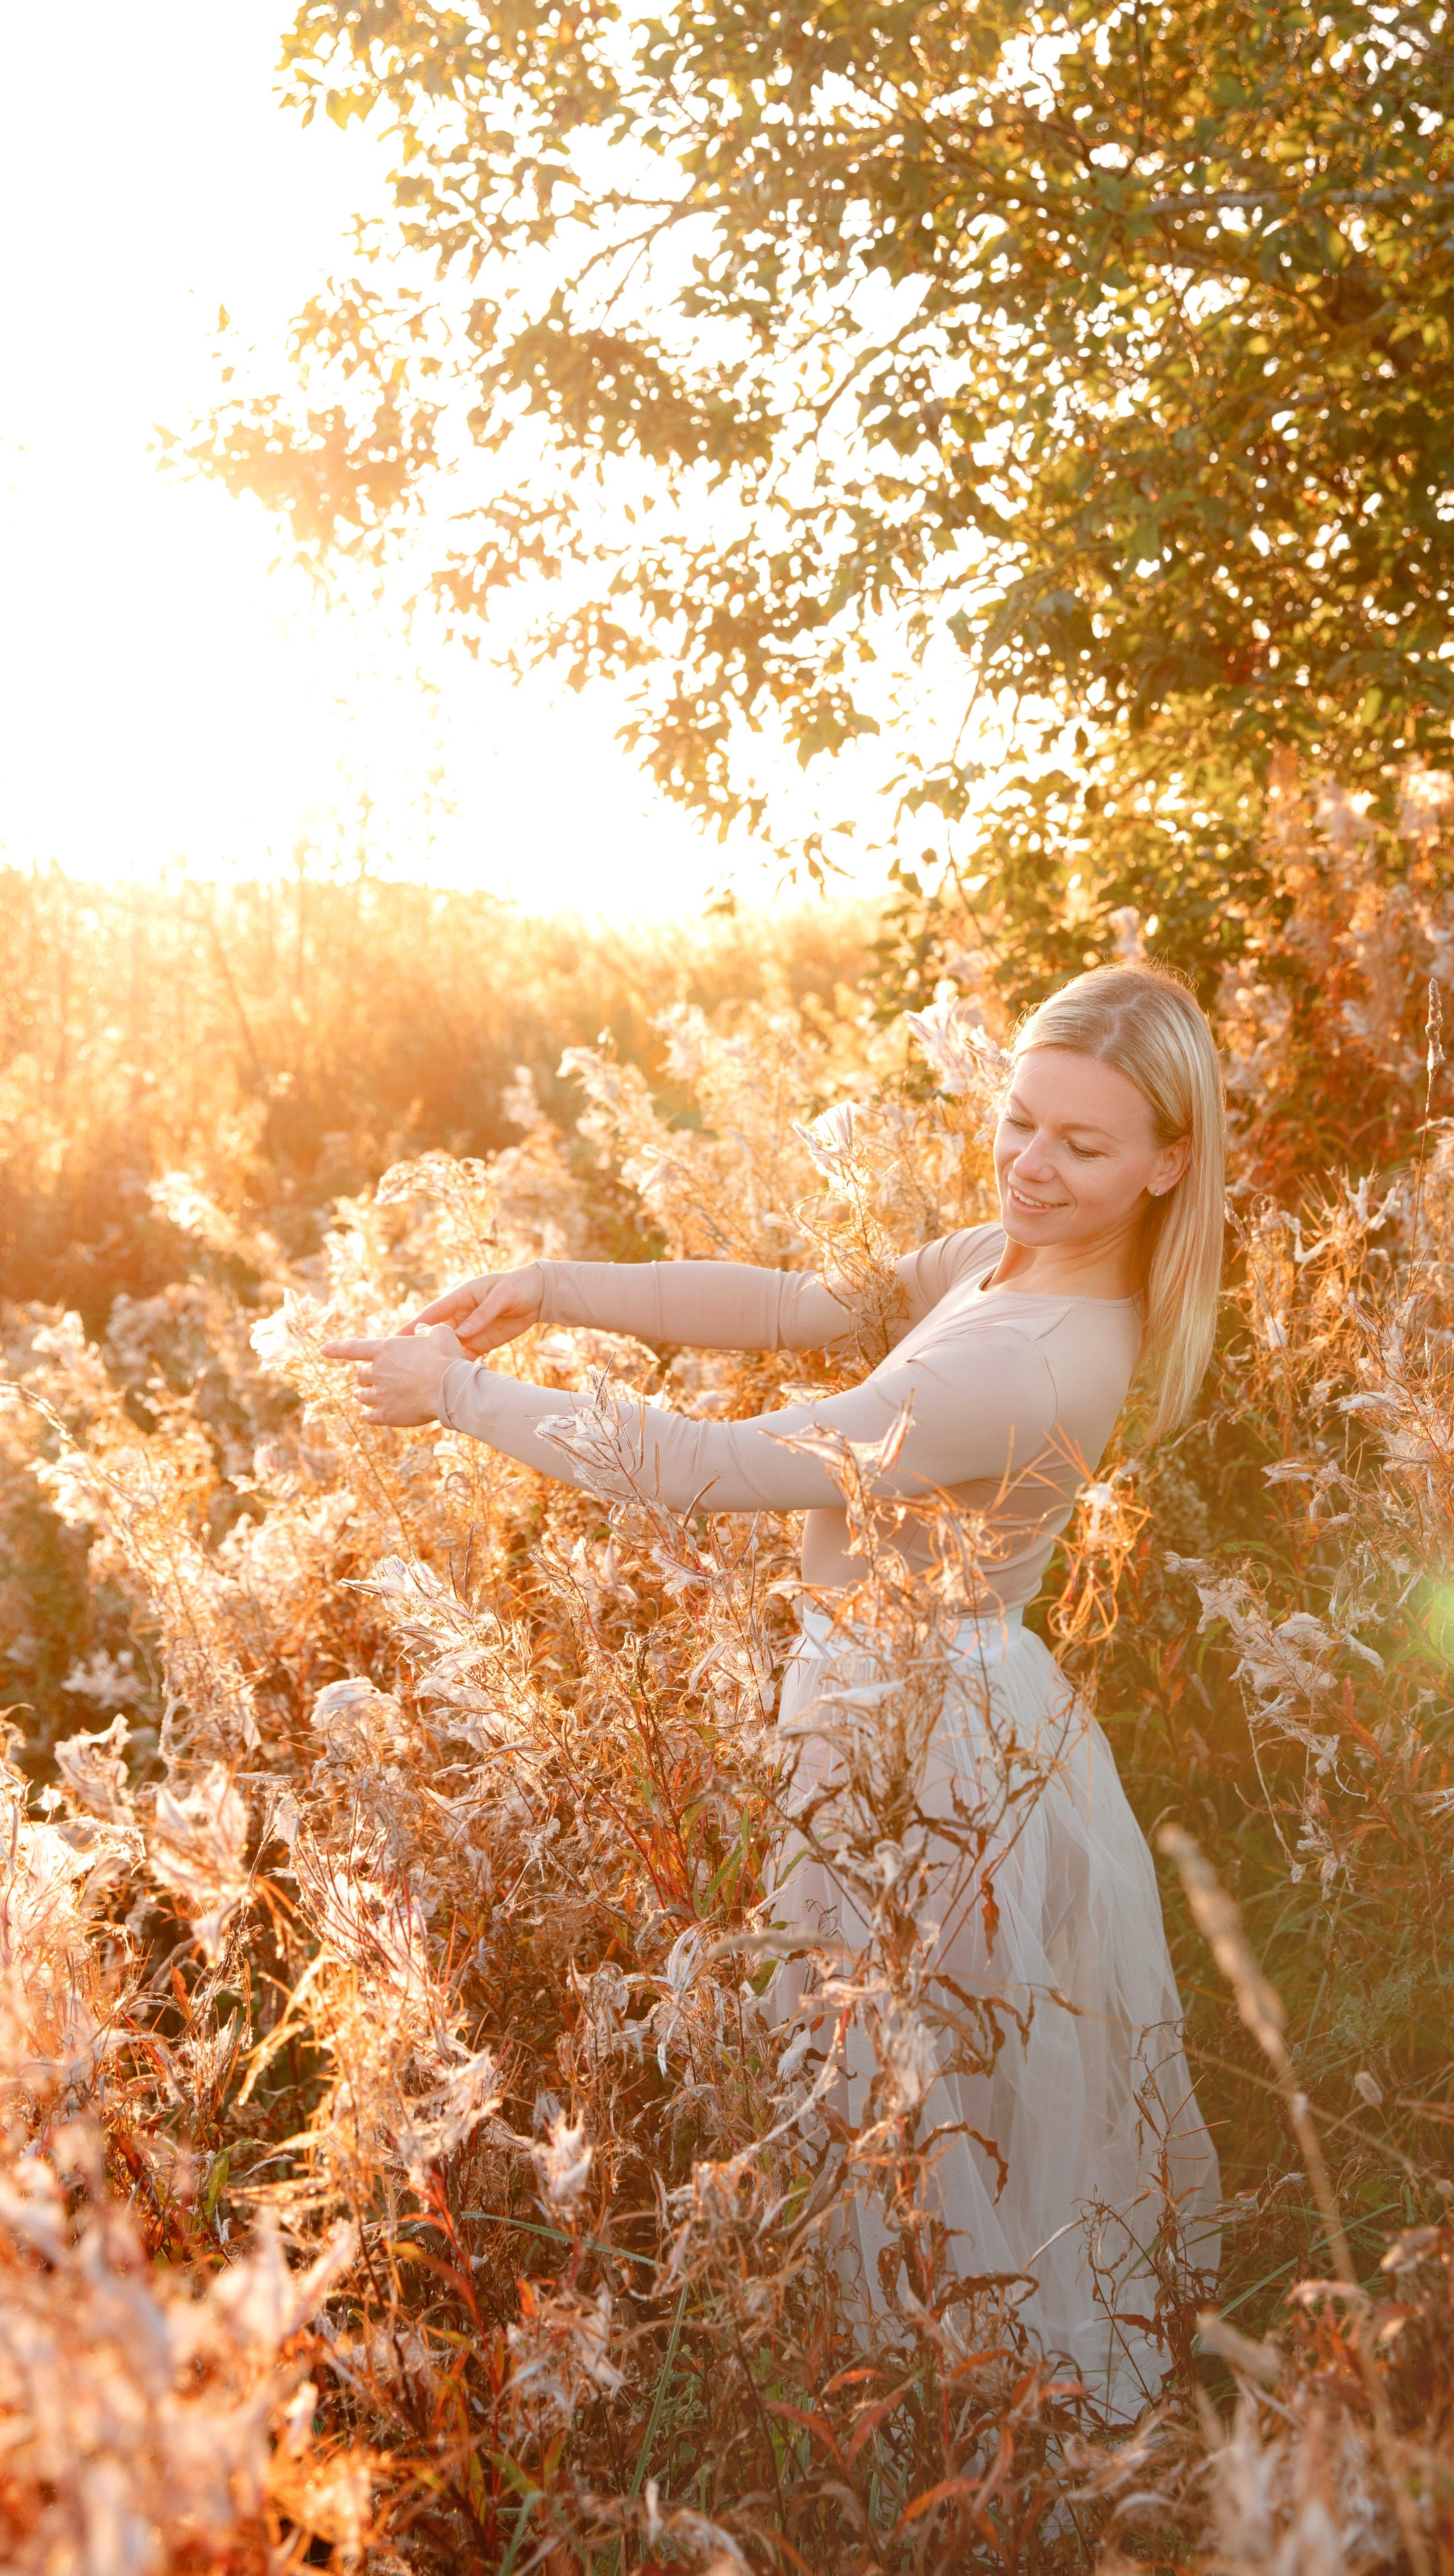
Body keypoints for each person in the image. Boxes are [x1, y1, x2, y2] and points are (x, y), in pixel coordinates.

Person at [326, 961, 1225, 2410]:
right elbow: (806, 1304)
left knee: (922, 2077)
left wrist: (461, 1397)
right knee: (905, 2061)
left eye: (1081, 1144)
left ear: (1165, 1163)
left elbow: (715, 1468)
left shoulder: (1031, 1357)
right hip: (888, 1702)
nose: (1028, 1165)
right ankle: (930, 2377)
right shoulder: (1010, 1262)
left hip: (932, 1743)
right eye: (1018, 1121)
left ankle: (972, 2406)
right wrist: (551, 1288)